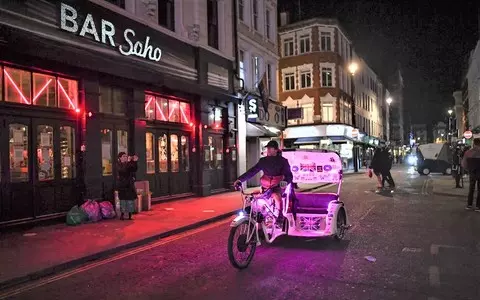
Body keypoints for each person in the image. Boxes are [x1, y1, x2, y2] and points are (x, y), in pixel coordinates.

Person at [233, 141, 293, 226]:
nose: (268, 150)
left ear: (276, 150)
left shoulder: (283, 161)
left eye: (270, 148)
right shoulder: (263, 161)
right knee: (254, 199)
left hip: (277, 186)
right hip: (265, 186)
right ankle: (255, 219)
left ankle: (280, 215)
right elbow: (252, 171)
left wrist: (285, 182)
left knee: (276, 195)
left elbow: (289, 176)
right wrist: (240, 180)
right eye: (267, 148)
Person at [116, 152, 138, 220]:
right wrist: (128, 162)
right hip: (122, 185)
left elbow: (134, 169)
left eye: (126, 156)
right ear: (120, 158)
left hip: (129, 184)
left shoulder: (128, 163)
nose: (125, 157)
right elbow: (123, 171)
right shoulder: (118, 164)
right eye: (123, 156)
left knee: (130, 199)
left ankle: (130, 215)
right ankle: (122, 214)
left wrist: (134, 161)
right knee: (123, 200)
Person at [461, 138, 480, 211]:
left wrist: (468, 170)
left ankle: (469, 205)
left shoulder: (468, 152)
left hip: (472, 172)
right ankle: (478, 206)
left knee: (471, 189)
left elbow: (464, 164)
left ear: (474, 143)